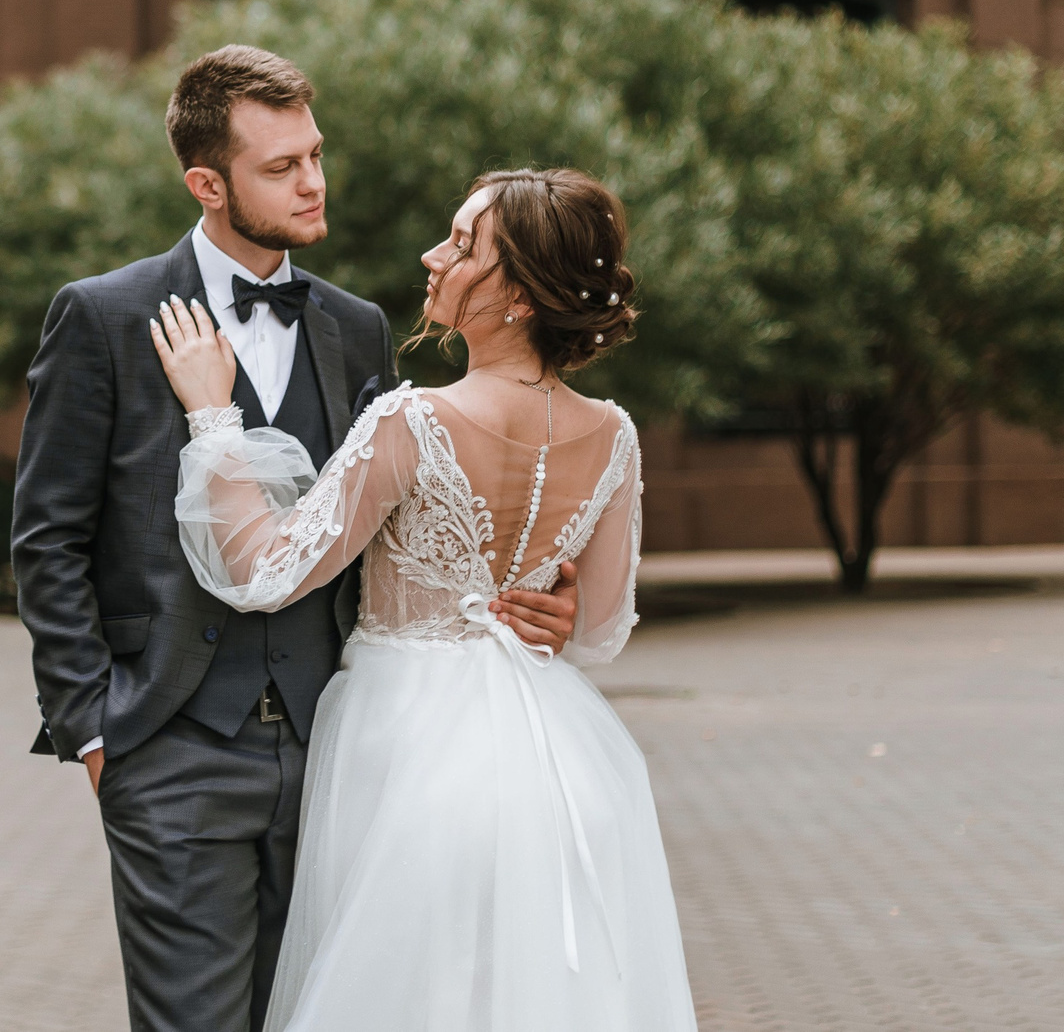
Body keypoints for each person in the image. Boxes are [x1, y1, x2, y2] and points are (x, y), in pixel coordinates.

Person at [12, 46, 585, 1032]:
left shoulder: (353, 328)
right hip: (172, 747)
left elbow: (392, 528)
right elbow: (46, 539)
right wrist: (98, 732)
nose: (312, 180)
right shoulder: (104, 317)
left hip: (339, 749)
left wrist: (531, 591)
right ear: (207, 183)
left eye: (314, 154)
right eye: (281, 167)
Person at [147, 166, 697, 1031]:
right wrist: (551, 606)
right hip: (558, 761)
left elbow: (265, 571)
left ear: (518, 293)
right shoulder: (614, 435)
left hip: (409, 749)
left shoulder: (417, 421)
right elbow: (598, 632)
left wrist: (214, 414)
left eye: (463, 244)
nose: (431, 255)